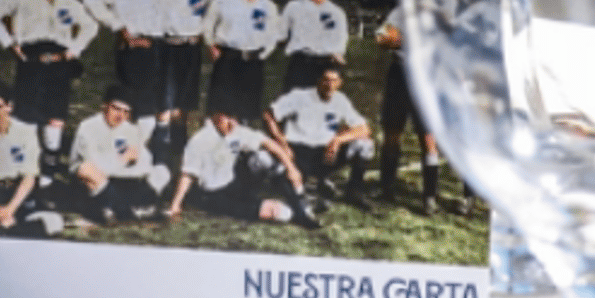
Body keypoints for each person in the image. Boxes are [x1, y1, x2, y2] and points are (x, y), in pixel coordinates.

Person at [0, 0, 98, 167]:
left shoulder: (68, 1)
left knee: (56, 116)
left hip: (59, 62)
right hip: (31, 60)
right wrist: (10, 44)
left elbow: (90, 26)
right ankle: (23, 169)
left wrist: (73, 50)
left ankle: (48, 176)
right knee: (27, 116)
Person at [377, 0, 464, 216]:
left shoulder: (433, 17)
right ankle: (385, 188)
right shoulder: (398, 13)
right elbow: (381, 38)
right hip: (398, 75)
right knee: (392, 134)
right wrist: (393, 40)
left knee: (428, 138)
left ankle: (429, 197)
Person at [84, 0, 174, 157]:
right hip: (137, 50)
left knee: (160, 107)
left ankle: (148, 158)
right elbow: (91, 0)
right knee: (141, 110)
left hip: (160, 48)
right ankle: (127, 157)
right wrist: (121, 29)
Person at [167, 108, 319, 229]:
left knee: (264, 158)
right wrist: (175, 205)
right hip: (213, 195)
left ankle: (301, 205)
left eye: (235, 118)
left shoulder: (234, 129)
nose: (232, 123)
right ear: (214, 117)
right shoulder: (200, 140)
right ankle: (294, 211)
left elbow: (270, 144)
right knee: (282, 214)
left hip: (234, 183)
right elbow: (187, 174)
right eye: (227, 117)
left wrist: (292, 168)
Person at [265, 67, 374, 209]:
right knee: (291, 183)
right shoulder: (300, 96)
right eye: (326, 80)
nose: (329, 85)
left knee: (365, 144)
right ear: (318, 81)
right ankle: (309, 185)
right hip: (298, 152)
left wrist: (338, 140)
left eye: (334, 81)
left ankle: (354, 192)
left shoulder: (340, 100)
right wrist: (281, 142)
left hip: (325, 153)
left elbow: (364, 129)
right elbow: (268, 114)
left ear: (340, 83)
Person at [68, 86, 172, 223]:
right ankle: (127, 210)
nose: (120, 115)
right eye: (116, 109)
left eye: (126, 112)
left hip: (121, 180)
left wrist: (132, 165)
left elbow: (145, 162)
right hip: (94, 184)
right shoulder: (88, 127)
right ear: (104, 107)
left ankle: (121, 208)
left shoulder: (129, 129)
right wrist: (122, 160)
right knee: (86, 169)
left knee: (161, 171)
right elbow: (94, 164)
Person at [203, 0, 282, 122]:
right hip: (226, 61)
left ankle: (242, 144)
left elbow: (273, 36)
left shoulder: (268, 6)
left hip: (252, 64)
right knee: (220, 113)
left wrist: (261, 55)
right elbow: (208, 24)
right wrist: (211, 46)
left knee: (246, 114)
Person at [156, 0, 214, 165]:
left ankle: (178, 153)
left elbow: (209, 20)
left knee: (183, 106)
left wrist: (208, 42)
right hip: (166, 46)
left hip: (191, 50)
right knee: (164, 103)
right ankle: (159, 154)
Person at [0, 81, 63, 237]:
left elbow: (29, 176)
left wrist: (10, 209)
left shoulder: (25, 131)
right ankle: (10, 229)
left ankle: (12, 227)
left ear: (9, 106)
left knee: (54, 223)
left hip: (17, 194)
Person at [277, 0, 349, 95]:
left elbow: (340, 46)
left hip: (324, 67)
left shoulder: (337, 13)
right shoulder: (293, 7)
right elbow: (280, 36)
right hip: (299, 65)